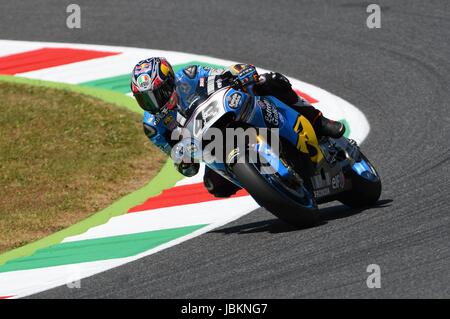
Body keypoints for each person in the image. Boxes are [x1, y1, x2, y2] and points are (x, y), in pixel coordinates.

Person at [131, 57, 345, 197]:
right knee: (215, 186)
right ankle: (270, 185)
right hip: (211, 144)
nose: (153, 104)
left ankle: (318, 121)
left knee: (268, 80)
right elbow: (178, 157)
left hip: (229, 110)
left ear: (169, 83)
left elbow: (223, 73)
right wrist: (184, 161)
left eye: (156, 95)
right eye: (145, 100)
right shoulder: (153, 126)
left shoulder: (190, 75)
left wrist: (239, 74)